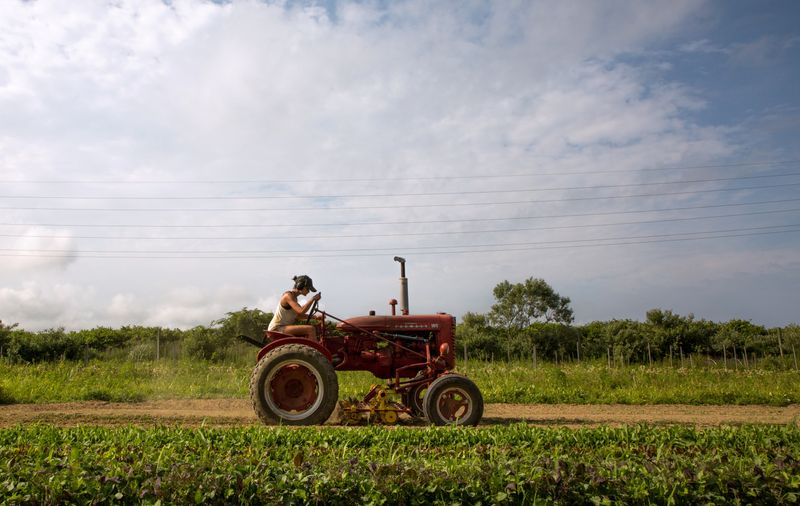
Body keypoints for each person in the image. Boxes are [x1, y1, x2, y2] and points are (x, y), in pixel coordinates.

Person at [267, 275, 322, 340]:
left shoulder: (294, 299)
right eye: (307, 289)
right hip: (276, 328)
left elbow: (298, 315)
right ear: (300, 286)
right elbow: (301, 311)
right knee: (310, 329)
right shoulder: (288, 296)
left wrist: (315, 317)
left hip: (282, 328)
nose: (308, 291)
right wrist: (313, 299)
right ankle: (314, 350)